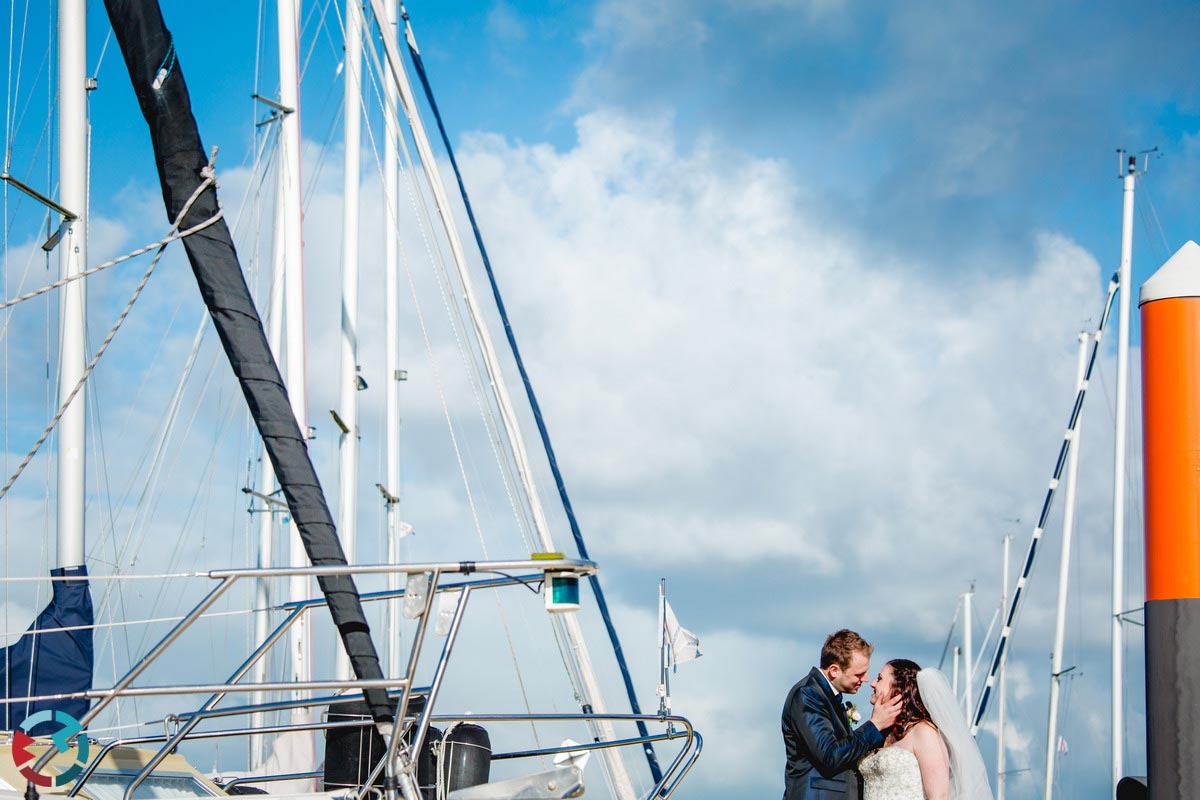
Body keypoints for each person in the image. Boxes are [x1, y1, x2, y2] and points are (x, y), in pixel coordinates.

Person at [782, 630, 903, 799]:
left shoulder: (828, 697)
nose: (866, 679)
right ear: (834, 670)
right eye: (859, 674)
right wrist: (874, 726)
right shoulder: (808, 695)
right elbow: (830, 755)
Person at [859, 659, 994, 800]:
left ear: (898, 687)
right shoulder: (881, 734)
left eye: (879, 679)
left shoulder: (923, 732)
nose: (873, 683)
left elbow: (939, 796)